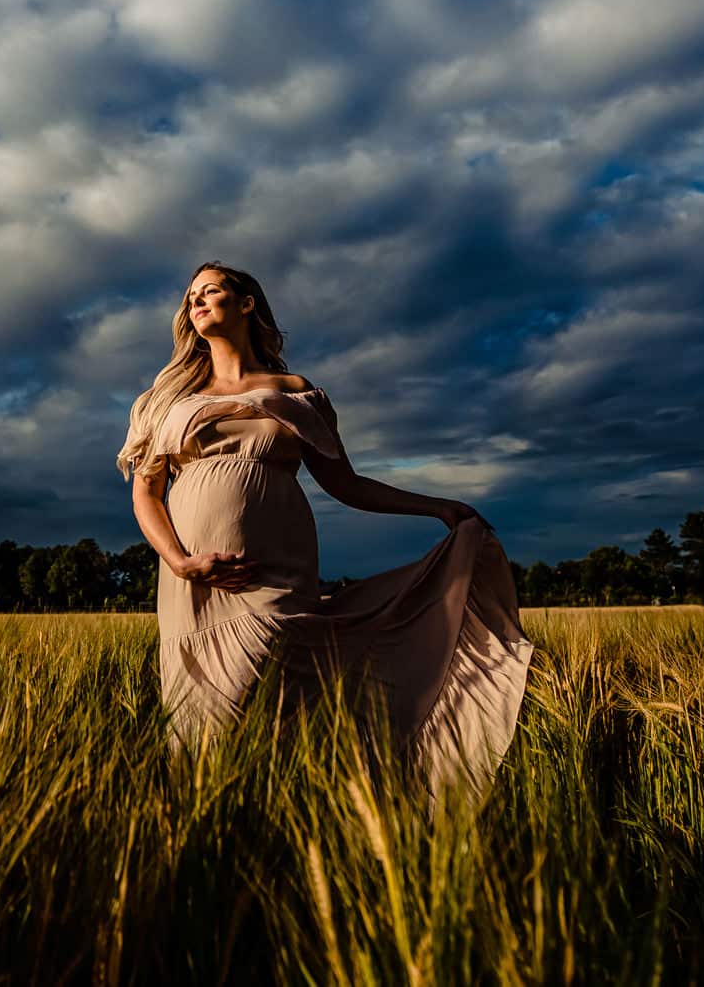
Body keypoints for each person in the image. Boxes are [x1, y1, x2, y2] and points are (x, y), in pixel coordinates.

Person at [116, 260, 535, 797]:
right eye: (190, 295)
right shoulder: (168, 397)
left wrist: (439, 507)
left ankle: (345, 795)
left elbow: (347, 485)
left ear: (247, 303)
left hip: (276, 571)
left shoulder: (296, 391)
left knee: (278, 691)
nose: (195, 302)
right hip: (195, 580)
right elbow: (146, 493)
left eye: (211, 291)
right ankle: (215, 824)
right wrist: (179, 560)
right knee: (208, 717)